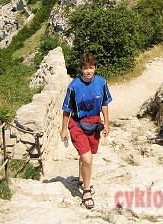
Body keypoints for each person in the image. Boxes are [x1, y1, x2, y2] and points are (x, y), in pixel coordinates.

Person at [60, 52, 112, 209]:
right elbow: (67, 109)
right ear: (81, 69)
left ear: (95, 67)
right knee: (88, 159)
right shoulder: (74, 87)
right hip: (77, 124)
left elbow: (104, 103)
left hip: (94, 123)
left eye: (91, 67)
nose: (88, 71)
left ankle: (81, 179)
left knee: (88, 154)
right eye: (85, 68)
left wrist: (107, 123)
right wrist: (64, 129)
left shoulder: (101, 83)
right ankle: (87, 191)